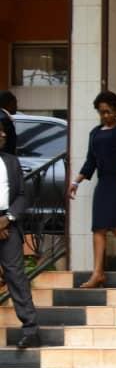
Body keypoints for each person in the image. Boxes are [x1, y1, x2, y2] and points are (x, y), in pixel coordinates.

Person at [67, 91, 116, 288]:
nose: (105, 116)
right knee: (99, 227)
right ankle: (97, 273)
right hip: (104, 183)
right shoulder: (94, 133)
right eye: (101, 112)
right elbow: (90, 161)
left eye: (108, 111)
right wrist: (76, 182)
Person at [0, 129, 41, 348]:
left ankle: (31, 330)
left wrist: (7, 218)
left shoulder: (12, 161)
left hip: (9, 223)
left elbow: (23, 195)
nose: (3, 134)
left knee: (16, 276)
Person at [0, 91, 17, 155]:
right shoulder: (4, 119)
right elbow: (7, 145)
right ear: (10, 103)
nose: (17, 106)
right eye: (15, 103)